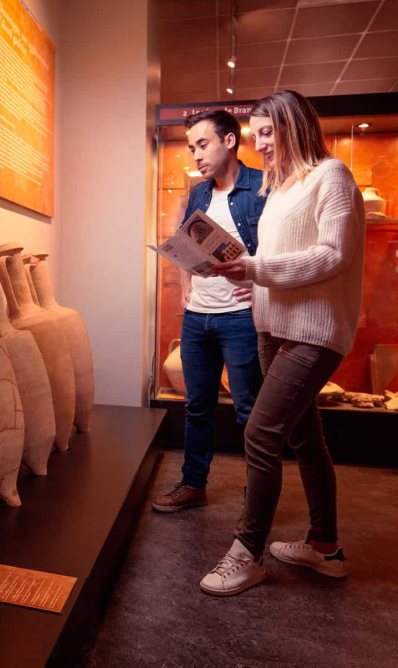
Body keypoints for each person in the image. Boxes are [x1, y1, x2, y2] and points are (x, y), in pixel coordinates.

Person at [199, 90, 365, 596]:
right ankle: (325, 548)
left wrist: (255, 269)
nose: (261, 144)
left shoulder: (331, 176)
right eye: (257, 135)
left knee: (260, 433)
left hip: (313, 333)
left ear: (296, 126)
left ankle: (246, 552)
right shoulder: (282, 187)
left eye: (268, 132)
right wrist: (252, 282)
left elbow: (333, 254)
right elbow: (282, 261)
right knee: (305, 439)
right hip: (272, 328)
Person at [152, 110, 265, 513]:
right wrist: (185, 280)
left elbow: (279, 251)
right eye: (191, 148)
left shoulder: (262, 187)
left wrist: (262, 287)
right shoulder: (199, 193)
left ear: (229, 141)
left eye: (203, 145)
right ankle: (193, 484)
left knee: (249, 411)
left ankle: (258, 497)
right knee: (197, 407)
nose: (196, 155)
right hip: (198, 317)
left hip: (241, 318)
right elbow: (187, 242)